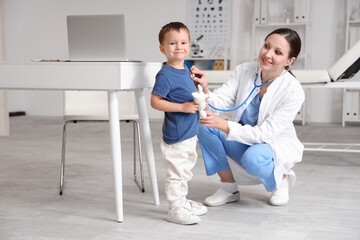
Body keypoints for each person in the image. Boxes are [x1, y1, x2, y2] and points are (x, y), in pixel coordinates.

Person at [190, 28, 304, 207]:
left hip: (269, 145)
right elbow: (220, 101)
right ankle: (229, 187)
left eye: (278, 52)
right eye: (266, 46)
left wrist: (224, 125)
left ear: (290, 61)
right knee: (202, 125)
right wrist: (204, 88)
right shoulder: (244, 70)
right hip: (242, 139)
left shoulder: (293, 90)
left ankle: (280, 179)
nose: (267, 54)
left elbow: (266, 134)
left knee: (253, 159)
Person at [151, 22, 207, 225]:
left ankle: (182, 201)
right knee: (176, 172)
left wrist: (202, 91)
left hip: (189, 132)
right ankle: (175, 208)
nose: (179, 47)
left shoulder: (185, 70)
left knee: (185, 170)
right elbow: (155, 102)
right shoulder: (165, 74)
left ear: (189, 45)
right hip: (176, 135)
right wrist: (182, 108)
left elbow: (191, 95)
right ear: (162, 49)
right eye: (173, 43)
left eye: (183, 42)